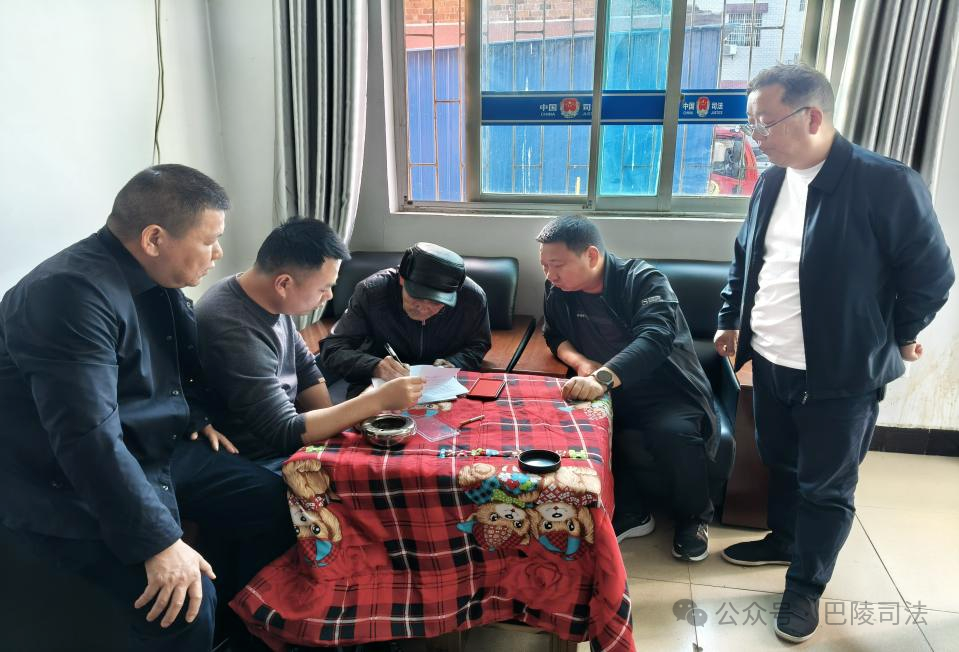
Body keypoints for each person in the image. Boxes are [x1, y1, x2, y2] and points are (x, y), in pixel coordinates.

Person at [0, 165, 295, 651]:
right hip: (64, 480)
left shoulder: (156, 278)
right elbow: (86, 437)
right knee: (184, 605)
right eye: (210, 240)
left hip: (150, 447)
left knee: (273, 502)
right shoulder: (68, 294)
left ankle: (243, 632)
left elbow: (177, 367)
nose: (219, 253)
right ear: (154, 238)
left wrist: (198, 417)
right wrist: (158, 542)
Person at [714, 64, 954, 644]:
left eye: (765, 124)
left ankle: (805, 586)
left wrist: (897, 333)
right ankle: (784, 541)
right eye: (752, 125)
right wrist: (730, 320)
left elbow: (932, 276)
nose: (756, 138)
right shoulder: (772, 182)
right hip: (772, 361)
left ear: (813, 117)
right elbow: (746, 259)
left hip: (841, 374)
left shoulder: (885, 183)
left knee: (827, 486)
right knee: (781, 462)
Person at [537, 215, 719, 562]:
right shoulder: (558, 290)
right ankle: (632, 512)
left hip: (666, 388)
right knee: (573, 430)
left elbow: (655, 338)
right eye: (544, 266)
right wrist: (581, 363)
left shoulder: (644, 280)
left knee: (673, 434)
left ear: (591, 255)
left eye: (557, 265)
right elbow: (553, 334)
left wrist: (601, 378)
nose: (550, 275)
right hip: (607, 388)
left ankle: (694, 518)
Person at [195, 217, 425, 469]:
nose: (329, 296)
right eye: (323, 289)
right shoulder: (235, 331)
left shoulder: (263, 295)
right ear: (284, 283)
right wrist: (375, 401)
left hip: (289, 434)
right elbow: (283, 432)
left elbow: (305, 369)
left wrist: (339, 424)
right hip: (258, 458)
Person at [320, 242, 492, 398]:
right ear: (402, 279)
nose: (423, 308)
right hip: (378, 389)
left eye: (436, 302)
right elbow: (333, 349)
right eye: (417, 297)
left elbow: (478, 345)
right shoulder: (372, 292)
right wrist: (375, 366)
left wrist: (453, 363)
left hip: (445, 389)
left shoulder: (472, 298)